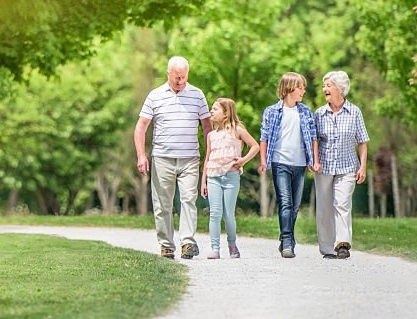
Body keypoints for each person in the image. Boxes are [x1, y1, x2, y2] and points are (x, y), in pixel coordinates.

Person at [134, 56, 213, 259]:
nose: (180, 81)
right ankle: (166, 245)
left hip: (189, 158)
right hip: (162, 158)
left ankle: (187, 242)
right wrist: (141, 156)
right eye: (177, 77)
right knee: (162, 204)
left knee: (188, 200)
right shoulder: (155, 96)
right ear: (168, 73)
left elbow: (207, 127)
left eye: (184, 77)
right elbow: (141, 126)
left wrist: (209, 155)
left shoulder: (197, 95)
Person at [258, 72, 319, 258]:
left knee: (295, 206)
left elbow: (313, 138)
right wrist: (263, 161)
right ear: (289, 89)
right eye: (300, 87)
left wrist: (314, 160)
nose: (303, 91)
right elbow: (264, 138)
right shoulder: (272, 111)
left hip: (299, 164)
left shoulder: (305, 111)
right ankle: (287, 241)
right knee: (285, 203)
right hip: (280, 162)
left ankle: (287, 238)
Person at [314, 71, 370, 259]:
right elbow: (314, 141)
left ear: (341, 88)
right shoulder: (319, 114)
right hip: (324, 167)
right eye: (324, 86)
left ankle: (343, 244)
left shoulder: (354, 112)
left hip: (347, 167)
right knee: (324, 208)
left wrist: (363, 166)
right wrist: (313, 161)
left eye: (328, 85)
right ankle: (328, 248)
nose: (324, 89)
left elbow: (362, 141)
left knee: (342, 203)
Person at [200, 98, 259, 259]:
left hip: (231, 176)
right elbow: (208, 158)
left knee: (228, 214)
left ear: (226, 113)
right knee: (215, 213)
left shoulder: (237, 130)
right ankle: (215, 248)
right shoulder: (211, 135)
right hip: (213, 177)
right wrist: (203, 181)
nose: (211, 112)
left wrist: (243, 160)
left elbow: (255, 146)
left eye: (215, 109)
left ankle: (232, 244)